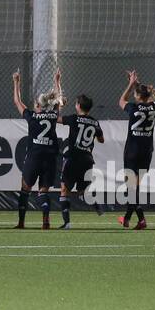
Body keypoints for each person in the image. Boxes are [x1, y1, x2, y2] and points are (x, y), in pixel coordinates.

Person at [12, 69, 64, 229]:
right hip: (50, 159)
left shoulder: (31, 116)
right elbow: (59, 100)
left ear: (37, 105)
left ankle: (21, 222)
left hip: (34, 157)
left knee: (25, 189)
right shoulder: (53, 115)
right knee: (43, 191)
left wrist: (16, 82)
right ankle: (45, 219)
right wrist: (57, 81)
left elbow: (17, 101)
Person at [117, 69, 155, 229]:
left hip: (132, 151)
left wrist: (131, 84)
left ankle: (141, 219)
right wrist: (137, 85)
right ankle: (127, 218)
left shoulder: (133, 108)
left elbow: (121, 100)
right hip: (147, 151)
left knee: (131, 186)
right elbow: (151, 97)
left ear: (137, 96)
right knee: (136, 186)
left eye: (135, 94)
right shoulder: (154, 107)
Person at [58, 94, 105, 228]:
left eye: (76, 103)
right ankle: (96, 204)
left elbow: (56, 119)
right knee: (82, 192)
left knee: (64, 189)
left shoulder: (74, 119)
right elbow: (102, 140)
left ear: (78, 105)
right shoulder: (95, 122)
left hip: (73, 158)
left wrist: (59, 106)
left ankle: (67, 223)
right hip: (87, 160)